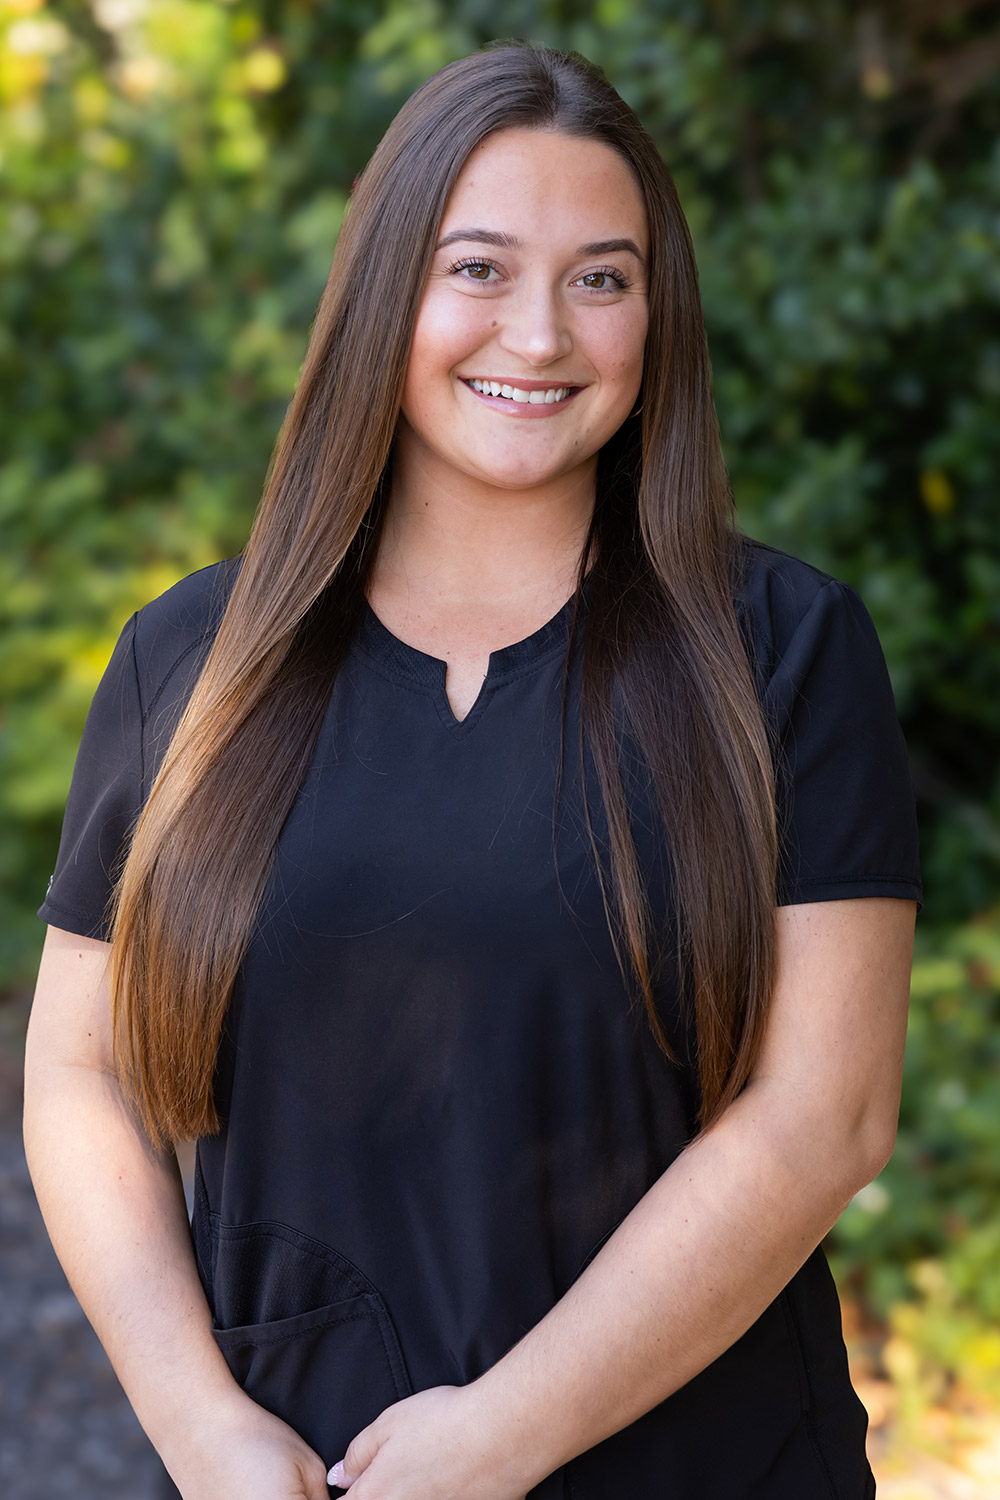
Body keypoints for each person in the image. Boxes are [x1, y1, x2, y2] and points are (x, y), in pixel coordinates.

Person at [23, 41, 920, 1500]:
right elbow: (80, 1072)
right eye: (480, 268)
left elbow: (828, 1116)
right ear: (387, 292)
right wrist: (201, 1427)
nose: (543, 335)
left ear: (657, 313)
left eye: (603, 278)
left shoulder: (782, 648)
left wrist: (499, 1439)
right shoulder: (195, 658)